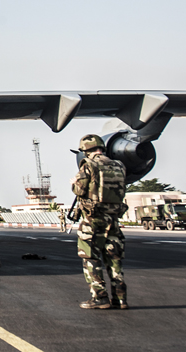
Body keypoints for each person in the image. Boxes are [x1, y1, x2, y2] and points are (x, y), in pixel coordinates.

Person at [70, 133, 127, 310]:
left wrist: (73, 183)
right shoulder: (119, 166)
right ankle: (120, 298)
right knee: (114, 258)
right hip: (114, 219)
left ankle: (100, 297)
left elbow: (79, 190)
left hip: (94, 220)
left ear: (86, 150)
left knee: (90, 258)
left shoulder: (89, 165)